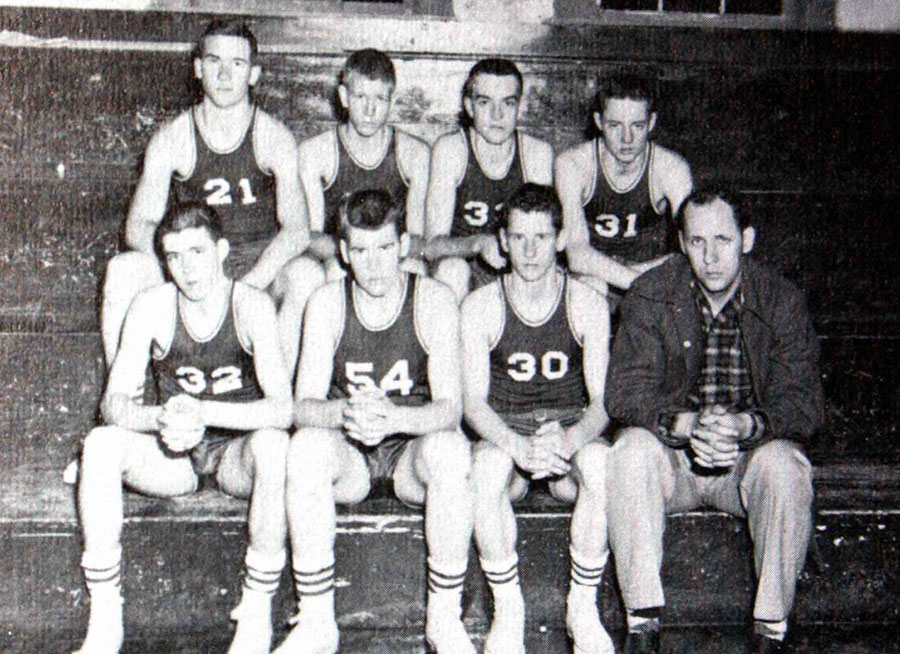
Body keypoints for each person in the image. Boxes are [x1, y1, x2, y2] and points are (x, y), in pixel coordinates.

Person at [604, 187, 823, 654]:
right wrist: (684, 425)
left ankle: (771, 631)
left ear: (747, 238)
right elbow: (623, 394)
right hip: (676, 463)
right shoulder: (651, 293)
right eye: (698, 242)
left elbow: (803, 404)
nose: (711, 257)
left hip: (745, 467)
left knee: (787, 466)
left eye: (723, 240)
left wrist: (746, 427)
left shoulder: (780, 299)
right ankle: (642, 625)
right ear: (681, 243)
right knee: (628, 452)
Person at [74, 203, 293, 654]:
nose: (186, 268)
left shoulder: (250, 305)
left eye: (196, 252)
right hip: (174, 454)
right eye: (173, 256)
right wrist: (160, 418)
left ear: (222, 250)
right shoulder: (152, 305)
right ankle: (105, 618)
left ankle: (256, 611)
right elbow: (113, 404)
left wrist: (202, 413)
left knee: (274, 447)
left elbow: (282, 410)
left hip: (237, 451)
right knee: (99, 445)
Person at [274, 189, 475, 654]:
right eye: (361, 251)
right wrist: (345, 413)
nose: (375, 264)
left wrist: (394, 419)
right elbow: (302, 406)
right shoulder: (326, 302)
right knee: (304, 447)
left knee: (451, 449)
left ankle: (443, 619)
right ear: (344, 252)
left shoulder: (434, 299)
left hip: (410, 455)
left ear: (403, 245)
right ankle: (317, 620)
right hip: (350, 458)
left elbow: (450, 410)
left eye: (385, 248)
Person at [100, 19, 313, 369]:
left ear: (254, 74)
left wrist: (248, 285)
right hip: (194, 259)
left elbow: (297, 230)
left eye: (237, 64)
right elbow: (139, 226)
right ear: (198, 68)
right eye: (215, 61)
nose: (226, 75)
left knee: (305, 275)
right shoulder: (173, 138)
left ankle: (280, 406)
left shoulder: (274, 138)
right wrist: (181, 271)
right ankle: (123, 401)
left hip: (255, 262)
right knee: (124, 270)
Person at [462, 184, 613, 654]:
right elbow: (472, 403)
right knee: (484, 471)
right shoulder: (481, 304)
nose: (529, 251)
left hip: (567, 432)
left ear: (561, 238)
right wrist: (517, 446)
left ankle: (582, 607)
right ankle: (509, 610)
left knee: (603, 465)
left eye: (541, 238)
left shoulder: (587, 301)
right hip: (508, 432)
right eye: (519, 238)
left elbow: (604, 401)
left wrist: (569, 441)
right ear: (502, 240)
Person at [289, 48, 431, 373]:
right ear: (343, 96)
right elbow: (310, 236)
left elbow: (419, 239)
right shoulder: (316, 152)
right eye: (360, 96)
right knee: (325, 274)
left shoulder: (413, 153)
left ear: (391, 99)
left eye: (379, 99)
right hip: (341, 256)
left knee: (416, 273)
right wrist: (352, 258)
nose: (369, 110)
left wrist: (381, 258)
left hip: (390, 255)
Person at [426, 58, 554, 303]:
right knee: (453, 270)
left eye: (508, 103)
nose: (497, 115)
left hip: (516, 267)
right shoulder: (452, 150)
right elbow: (431, 246)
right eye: (485, 102)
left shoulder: (536, 154)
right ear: (469, 107)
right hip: (464, 269)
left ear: (519, 108)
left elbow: (543, 237)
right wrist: (478, 244)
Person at [555, 73, 692, 297]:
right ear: (599, 122)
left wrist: (643, 279)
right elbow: (577, 254)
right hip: (598, 278)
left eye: (637, 126)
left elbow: (691, 247)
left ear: (652, 122)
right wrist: (640, 284)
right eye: (615, 125)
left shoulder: (671, 168)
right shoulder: (573, 164)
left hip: (650, 272)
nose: (626, 138)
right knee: (591, 287)